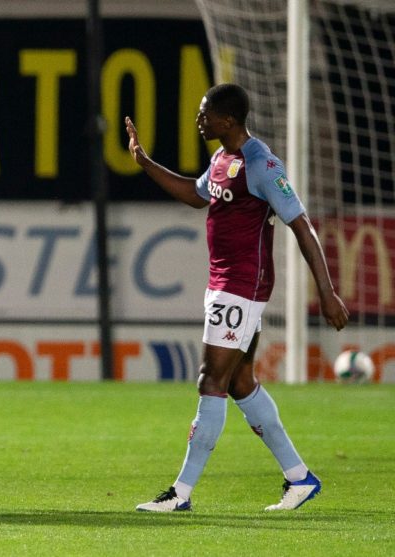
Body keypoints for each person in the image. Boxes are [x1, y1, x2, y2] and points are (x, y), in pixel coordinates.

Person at [125, 83, 348, 512]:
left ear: (227, 120)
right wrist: (145, 162)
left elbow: (301, 225)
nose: (199, 119)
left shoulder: (262, 164)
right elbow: (195, 195)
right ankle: (299, 478)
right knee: (241, 383)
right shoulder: (222, 158)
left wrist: (327, 291)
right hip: (223, 283)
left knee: (211, 380)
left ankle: (181, 493)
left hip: (242, 286)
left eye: (205, 114)